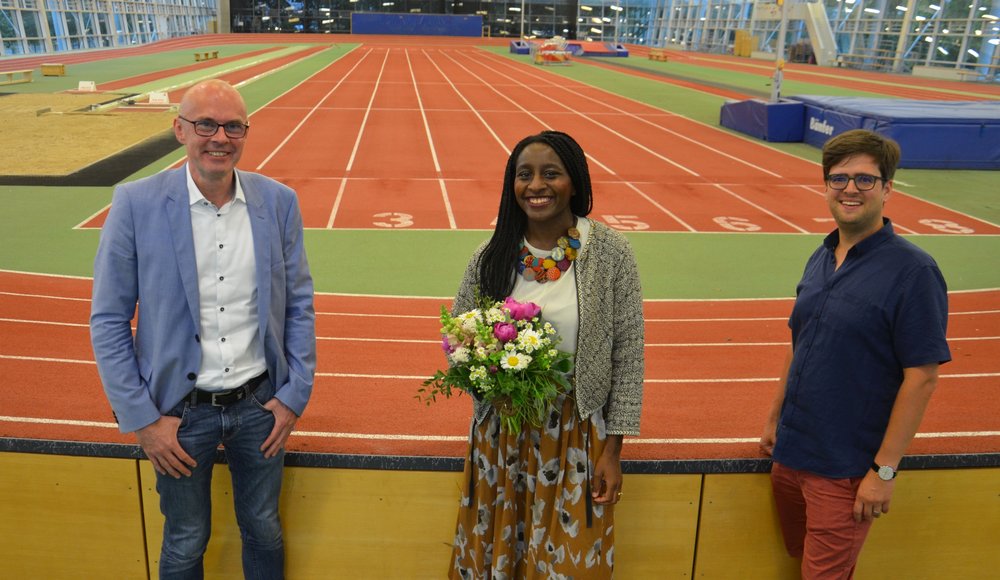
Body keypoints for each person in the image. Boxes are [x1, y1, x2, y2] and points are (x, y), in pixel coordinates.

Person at [90, 79, 316, 579]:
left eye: (233, 125)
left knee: (263, 529)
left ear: (245, 132)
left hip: (260, 407)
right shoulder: (135, 203)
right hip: (177, 415)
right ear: (179, 130)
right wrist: (143, 420)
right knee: (186, 541)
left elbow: (298, 303)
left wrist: (294, 395)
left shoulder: (278, 203)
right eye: (206, 124)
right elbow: (108, 319)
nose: (220, 137)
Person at [448, 130, 645, 578]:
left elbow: (628, 355)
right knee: (501, 557)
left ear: (574, 182)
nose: (536, 185)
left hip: (577, 437)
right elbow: (460, 338)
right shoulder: (491, 256)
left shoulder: (611, 253)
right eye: (524, 175)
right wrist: (490, 380)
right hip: (501, 438)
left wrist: (614, 451)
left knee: (569, 562)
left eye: (550, 174)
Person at [760, 129, 951, 579]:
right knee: (798, 563)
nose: (850, 188)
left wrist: (883, 472)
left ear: (888, 189)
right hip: (790, 456)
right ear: (826, 185)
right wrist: (774, 417)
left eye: (865, 180)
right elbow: (798, 340)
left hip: (842, 472)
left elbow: (922, 376)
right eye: (839, 178)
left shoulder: (915, 271)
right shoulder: (822, 254)